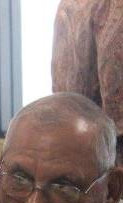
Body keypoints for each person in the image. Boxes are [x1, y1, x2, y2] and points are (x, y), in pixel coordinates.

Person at [52, 0, 123, 164]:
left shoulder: (68, 4)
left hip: (71, 142)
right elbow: (116, 101)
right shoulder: (114, 6)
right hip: (107, 151)